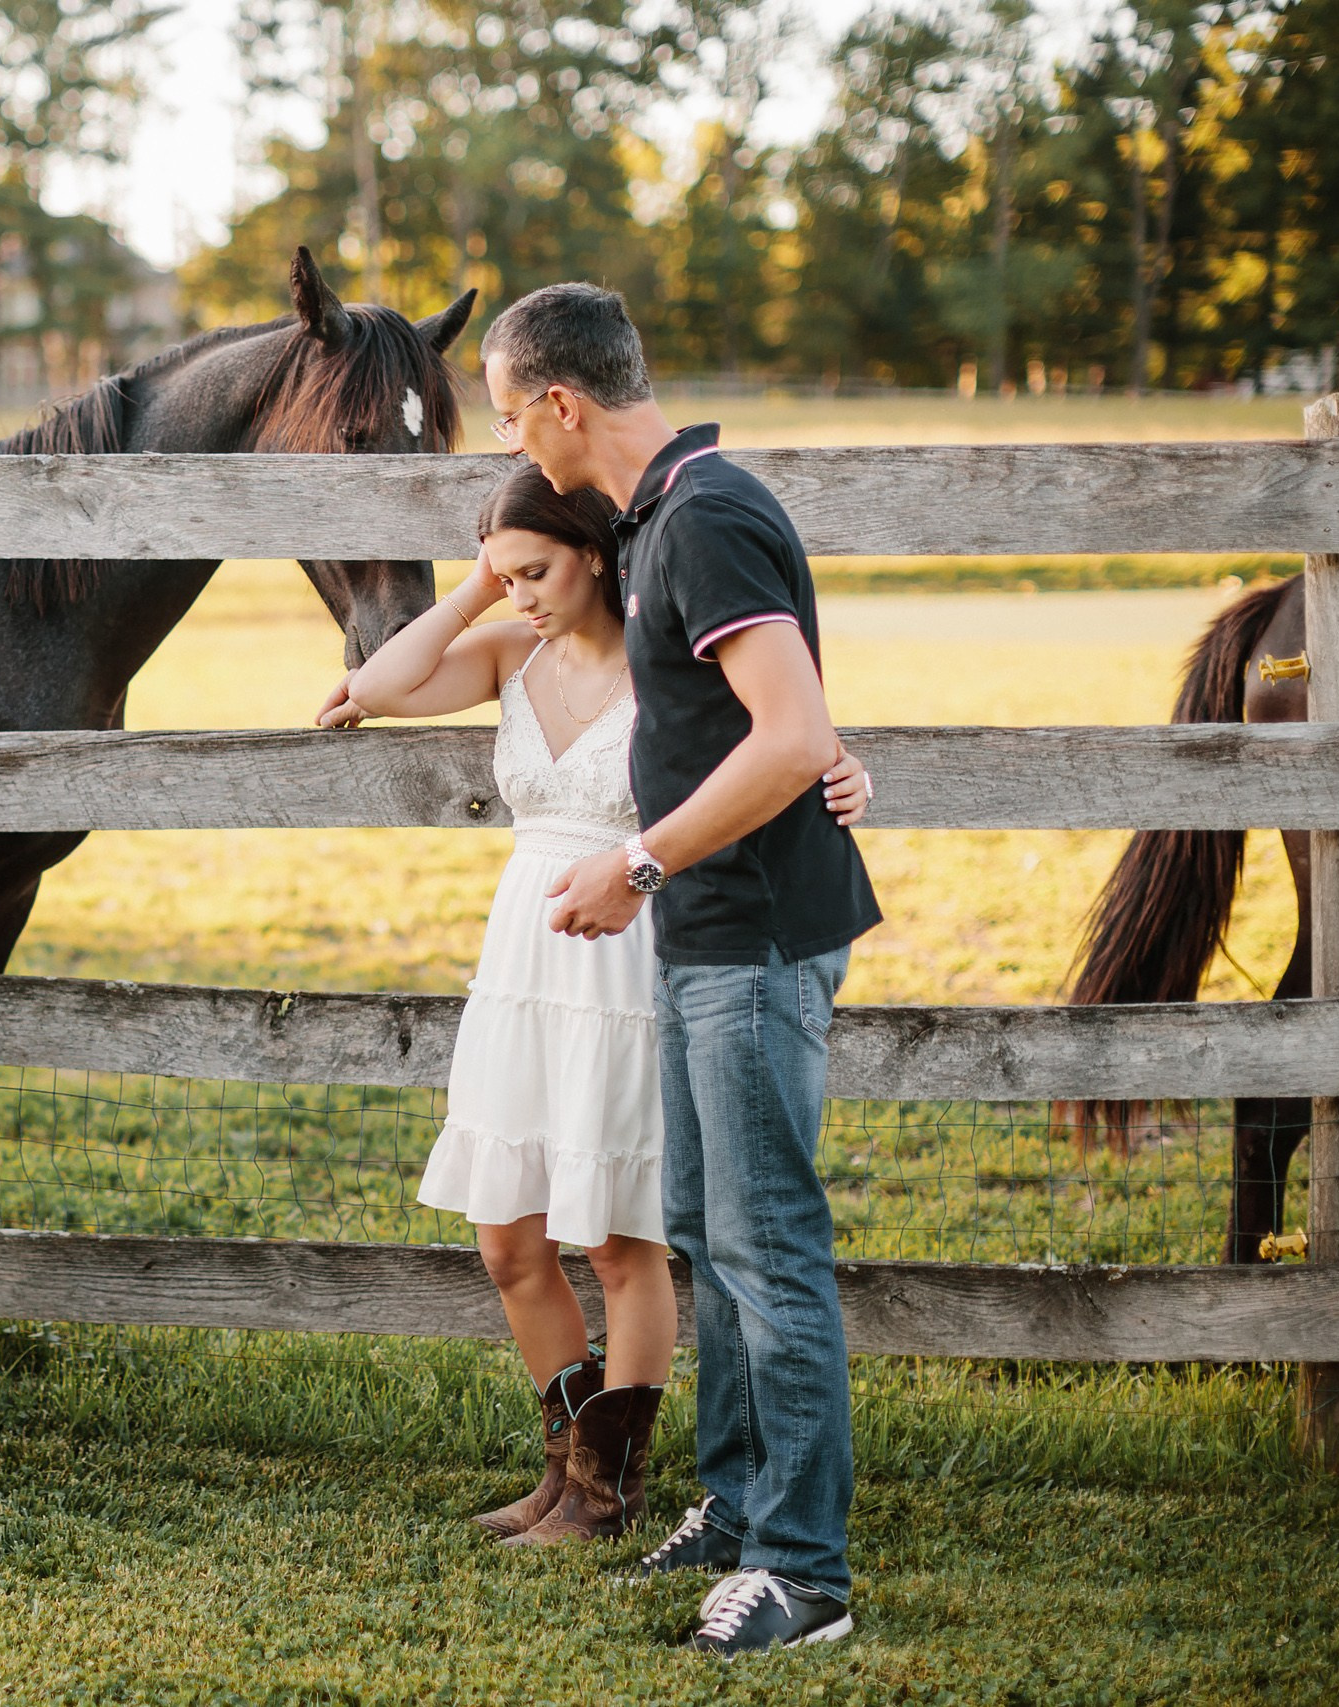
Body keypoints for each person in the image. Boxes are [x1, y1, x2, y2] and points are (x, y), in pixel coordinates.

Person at [320, 466, 869, 1556]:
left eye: (537, 570)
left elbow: (789, 740)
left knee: (622, 1243)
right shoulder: (507, 655)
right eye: (504, 574)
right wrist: (478, 583)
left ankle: (602, 1495)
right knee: (506, 1237)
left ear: (597, 554)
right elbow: (370, 687)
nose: (521, 592)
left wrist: (850, 770)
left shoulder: (670, 664)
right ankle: (562, 1468)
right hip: (523, 959)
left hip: (627, 955)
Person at [483, 283, 882, 1654]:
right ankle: (731, 1505)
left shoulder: (701, 514)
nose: (518, 447)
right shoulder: (663, 518)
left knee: (770, 1249)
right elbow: (771, 722)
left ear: (561, 402)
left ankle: (803, 1570)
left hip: (753, 934)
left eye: (509, 416)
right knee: (713, 1233)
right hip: (707, 937)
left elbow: (786, 732)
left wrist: (637, 863)